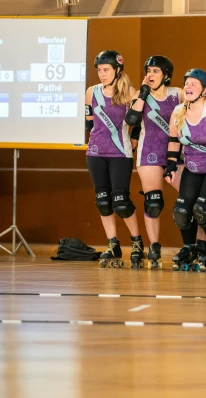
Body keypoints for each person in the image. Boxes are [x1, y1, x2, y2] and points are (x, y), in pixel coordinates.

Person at [165, 69, 206, 271]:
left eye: (193, 84)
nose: (188, 87)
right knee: (181, 210)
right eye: (186, 83)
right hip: (192, 166)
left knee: (203, 209)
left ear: (204, 90)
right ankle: (189, 248)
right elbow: (174, 140)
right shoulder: (178, 111)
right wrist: (171, 165)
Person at [124, 55, 183, 268]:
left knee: (190, 200)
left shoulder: (178, 94)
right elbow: (131, 119)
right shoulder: (140, 94)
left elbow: (199, 103)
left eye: (155, 71)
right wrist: (143, 93)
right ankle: (154, 247)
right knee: (153, 202)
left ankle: (199, 245)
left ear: (166, 75)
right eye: (148, 70)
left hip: (176, 152)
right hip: (148, 150)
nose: (150, 74)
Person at [85, 50, 142, 267]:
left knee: (121, 202)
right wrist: (93, 143)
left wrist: (134, 140)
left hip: (120, 153)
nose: (101, 74)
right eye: (99, 70)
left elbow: (139, 122)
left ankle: (137, 243)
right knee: (103, 202)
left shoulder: (129, 92)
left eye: (106, 70)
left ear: (118, 70)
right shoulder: (92, 92)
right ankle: (113, 244)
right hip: (96, 154)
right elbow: (89, 123)